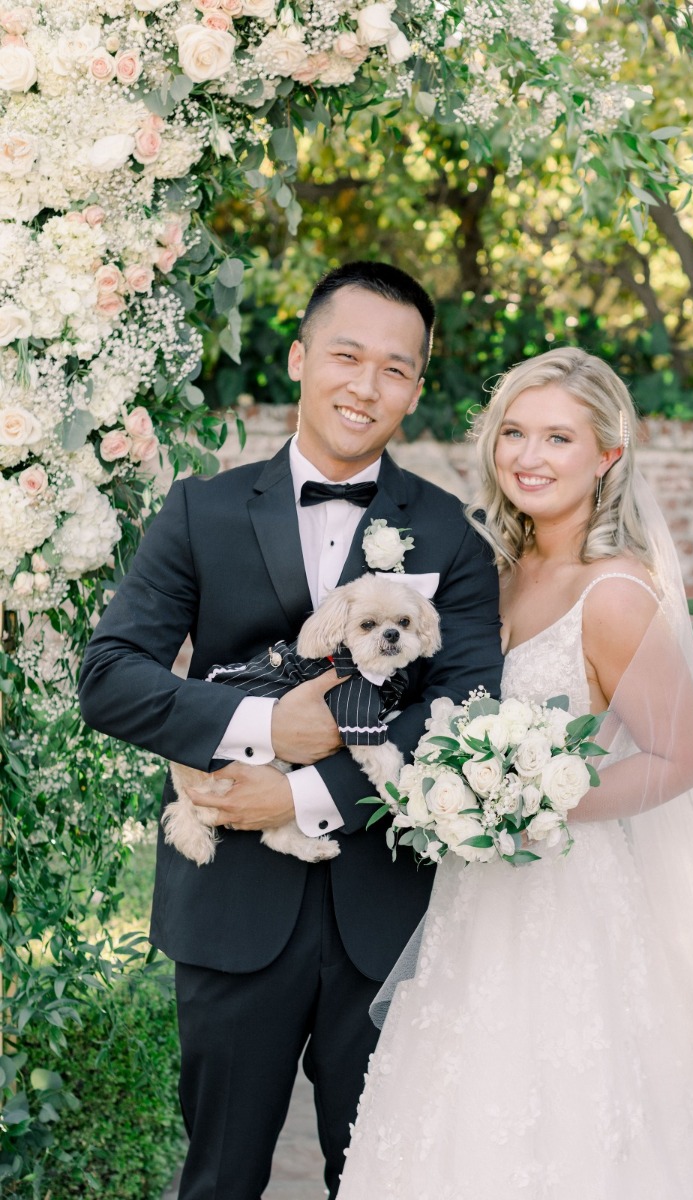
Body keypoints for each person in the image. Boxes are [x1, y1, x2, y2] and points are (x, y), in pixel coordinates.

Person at [338, 347, 693, 1200]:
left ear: (607, 456)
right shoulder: (489, 574)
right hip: (473, 900)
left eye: (558, 438)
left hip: (567, 901)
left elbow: (679, 758)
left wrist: (531, 805)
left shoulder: (613, 592)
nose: (528, 457)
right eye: (514, 433)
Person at [77, 261, 504, 1200]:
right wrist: (266, 724)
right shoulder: (201, 510)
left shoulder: (454, 534)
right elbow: (110, 679)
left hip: (388, 920)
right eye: (347, 355)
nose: (366, 385)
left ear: (418, 387)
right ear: (301, 356)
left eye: (395, 368)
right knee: (219, 1178)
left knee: (388, 1179)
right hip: (232, 908)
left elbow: (463, 716)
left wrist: (305, 791)